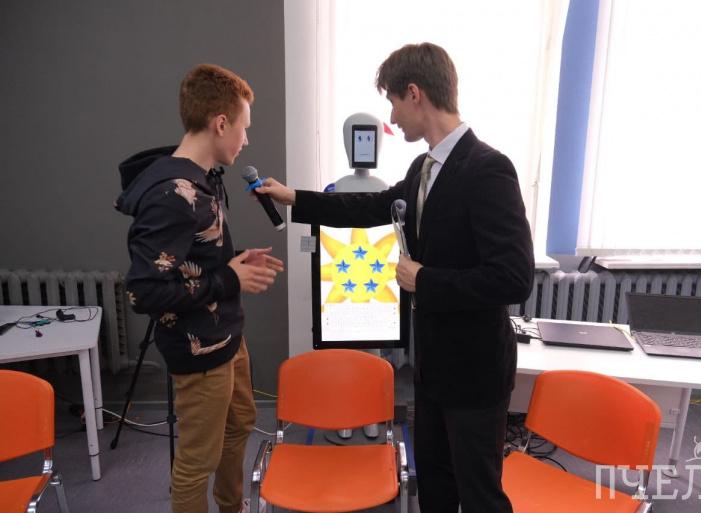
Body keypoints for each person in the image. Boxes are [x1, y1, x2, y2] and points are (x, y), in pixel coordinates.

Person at [258, 43, 534, 513]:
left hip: (474, 373)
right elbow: (370, 206)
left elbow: (513, 277)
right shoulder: (423, 168)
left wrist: (424, 279)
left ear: (415, 93)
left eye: (392, 102)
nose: (391, 117)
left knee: (480, 495)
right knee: (436, 488)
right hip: (432, 368)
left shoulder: (488, 169)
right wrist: (295, 198)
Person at [116, 63, 283, 513]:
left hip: (227, 337)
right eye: (244, 127)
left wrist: (235, 262)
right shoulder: (172, 194)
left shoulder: (202, 180)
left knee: (241, 423)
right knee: (197, 462)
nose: (246, 140)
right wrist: (230, 278)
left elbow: (191, 258)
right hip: (199, 351)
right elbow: (144, 291)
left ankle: (232, 506)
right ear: (221, 123)